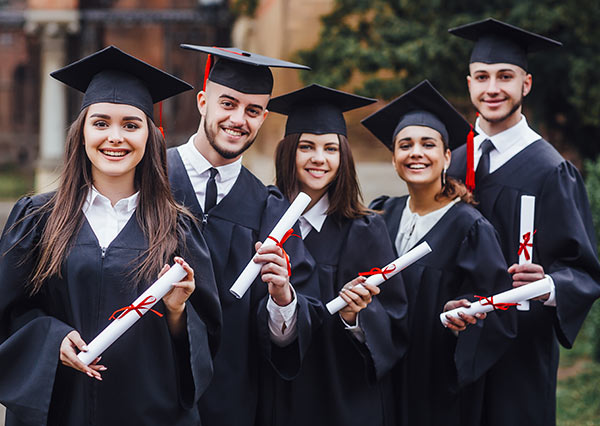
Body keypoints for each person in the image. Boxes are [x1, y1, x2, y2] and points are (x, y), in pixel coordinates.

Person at [0, 46, 221, 426]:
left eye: (130, 125)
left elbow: (205, 344)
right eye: (100, 123)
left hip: (149, 413)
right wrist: (51, 338)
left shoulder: (178, 229)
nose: (114, 137)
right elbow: (8, 312)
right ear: (81, 132)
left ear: (150, 137)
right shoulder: (37, 219)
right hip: (60, 411)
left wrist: (176, 309)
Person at [447, 18, 600, 425]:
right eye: (482, 77)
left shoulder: (551, 170)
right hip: (455, 341)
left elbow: (583, 271)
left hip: (520, 353)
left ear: (525, 84)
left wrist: (548, 284)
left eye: (505, 76)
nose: (492, 88)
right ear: (469, 85)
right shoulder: (453, 161)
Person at [167, 46, 323, 426]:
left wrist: (282, 296)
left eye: (252, 111)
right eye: (228, 104)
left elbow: (290, 336)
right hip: (147, 389)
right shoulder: (152, 178)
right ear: (203, 102)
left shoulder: (270, 210)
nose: (239, 119)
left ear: (264, 117)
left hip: (229, 400)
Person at [364, 80, 516, 426]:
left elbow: (499, 309)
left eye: (428, 144)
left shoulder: (470, 228)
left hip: (437, 387)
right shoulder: (382, 216)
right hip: (383, 381)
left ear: (447, 156)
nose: (416, 152)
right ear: (393, 158)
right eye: (405, 145)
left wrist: (463, 314)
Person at [255, 84, 408, 425]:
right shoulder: (265, 217)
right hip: (280, 394)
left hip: (344, 396)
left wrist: (354, 318)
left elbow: (394, 319)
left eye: (330, 148)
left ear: (344, 157)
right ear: (288, 152)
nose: (319, 159)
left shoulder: (366, 230)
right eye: (306, 146)